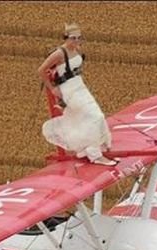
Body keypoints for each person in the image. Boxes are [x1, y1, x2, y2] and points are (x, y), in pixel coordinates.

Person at [37, 23, 117, 166]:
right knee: (95, 116)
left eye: (79, 38)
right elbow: (41, 70)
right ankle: (95, 155)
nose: (77, 41)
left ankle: (94, 147)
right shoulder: (60, 53)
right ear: (66, 38)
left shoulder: (76, 50)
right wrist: (53, 89)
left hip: (80, 86)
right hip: (70, 90)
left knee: (92, 116)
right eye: (73, 38)